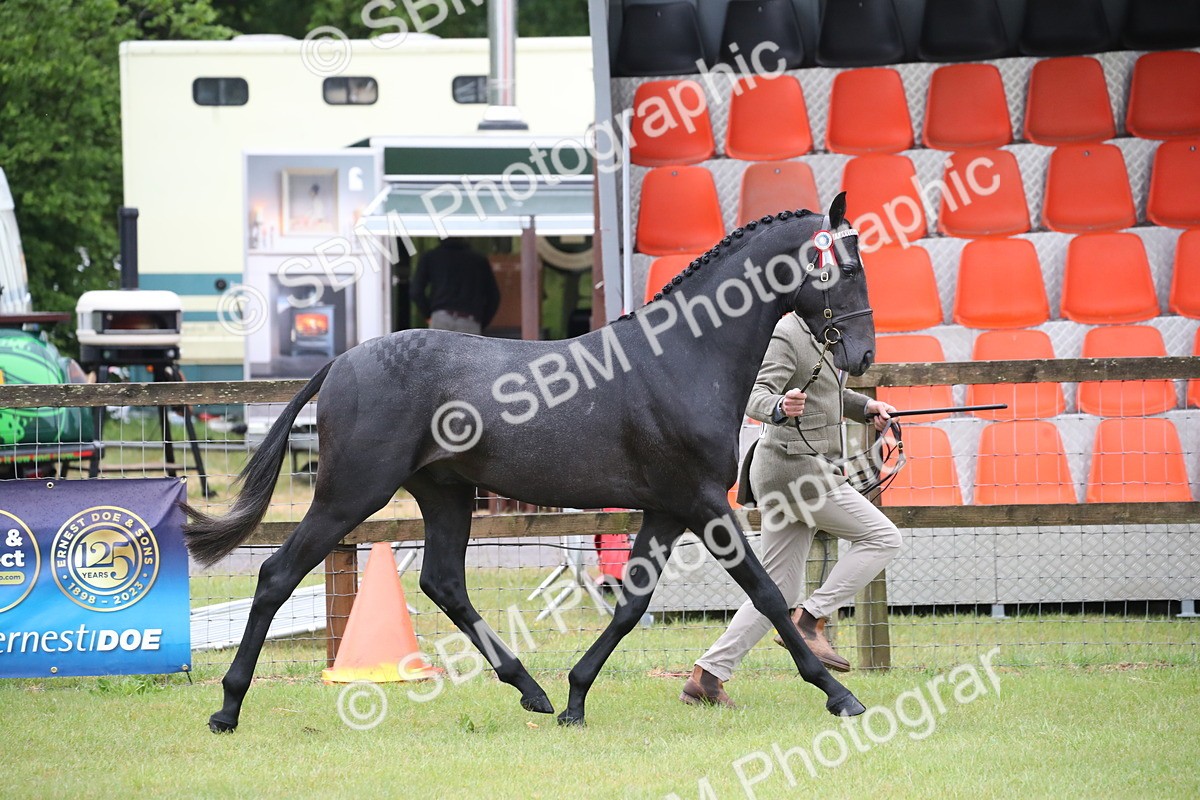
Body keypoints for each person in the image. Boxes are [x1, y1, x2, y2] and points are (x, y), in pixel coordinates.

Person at [681, 312, 902, 708]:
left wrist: (866, 406)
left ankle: (707, 676)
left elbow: (827, 396)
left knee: (776, 591)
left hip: (790, 473)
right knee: (883, 537)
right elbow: (755, 393)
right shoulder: (787, 332)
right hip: (795, 470)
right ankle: (809, 620)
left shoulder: (828, 332)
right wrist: (780, 405)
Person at [410, 237, 501, 335]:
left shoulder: (431, 257)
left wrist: (428, 315)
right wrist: (481, 321)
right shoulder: (479, 260)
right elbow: (494, 296)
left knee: (439, 350)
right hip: (469, 319)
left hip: (441, 318)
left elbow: (416, 291)